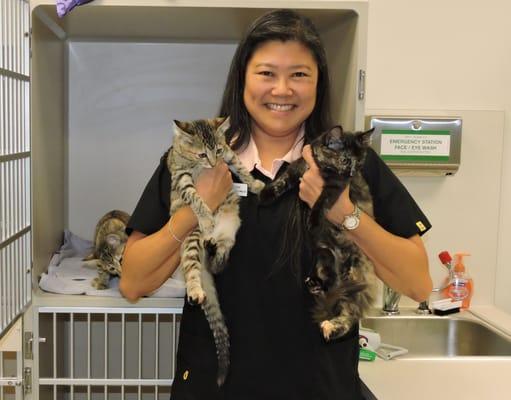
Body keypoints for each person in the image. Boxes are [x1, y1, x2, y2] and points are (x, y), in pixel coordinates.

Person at [120, 9, 433, 400]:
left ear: (318, 82)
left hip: (320, 388)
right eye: (267, 73)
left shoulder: (350, 163)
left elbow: (418, 283)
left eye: (299, 75)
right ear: (242, 79)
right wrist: (196, 207)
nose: (282, 90)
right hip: (215, 387)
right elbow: (134, 281)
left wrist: (345, 215)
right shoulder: (196, 159)